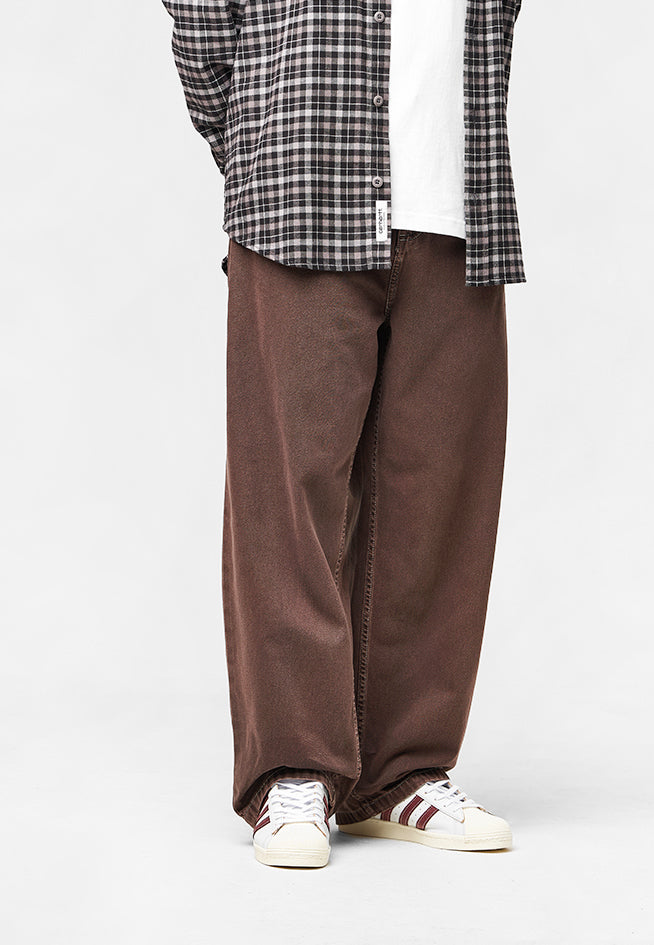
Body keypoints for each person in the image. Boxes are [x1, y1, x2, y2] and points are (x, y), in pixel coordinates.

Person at [161, 0, 525, 869]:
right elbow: (202, 18)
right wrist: (255, 139)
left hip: (457, 192)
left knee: (441, 495)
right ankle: (292, 768)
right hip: (300, 178)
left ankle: (400, 772)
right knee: (288, 491)